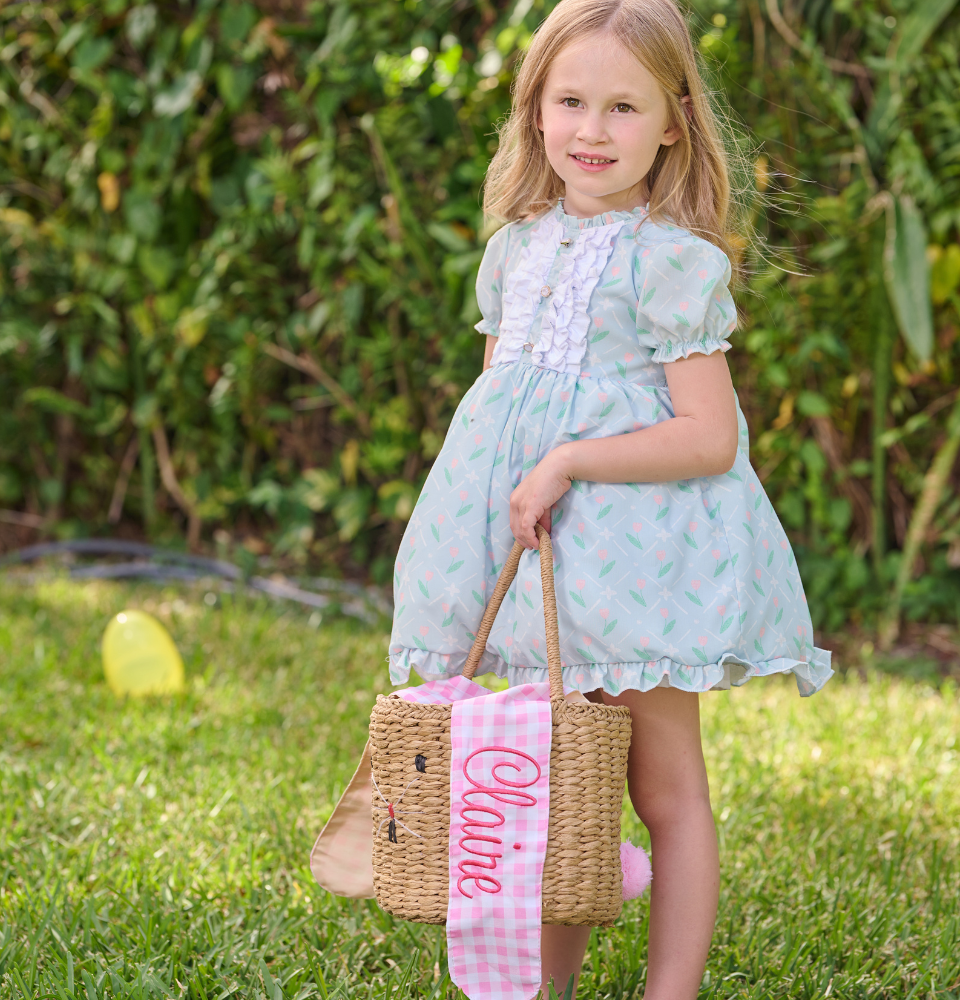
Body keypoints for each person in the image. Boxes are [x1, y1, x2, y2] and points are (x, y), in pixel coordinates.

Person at [388, 0, 833, 996]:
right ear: (534, 109)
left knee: (662, 784)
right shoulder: (514, 250)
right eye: (571, 101)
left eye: (623, 108)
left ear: (673, 121)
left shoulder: (671, 259)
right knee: (556, 785)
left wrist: (571, 460)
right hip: (540, 559)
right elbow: (498, 406)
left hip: (641, 561)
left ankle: (667, 990)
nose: (592, 130)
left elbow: (707, 435)